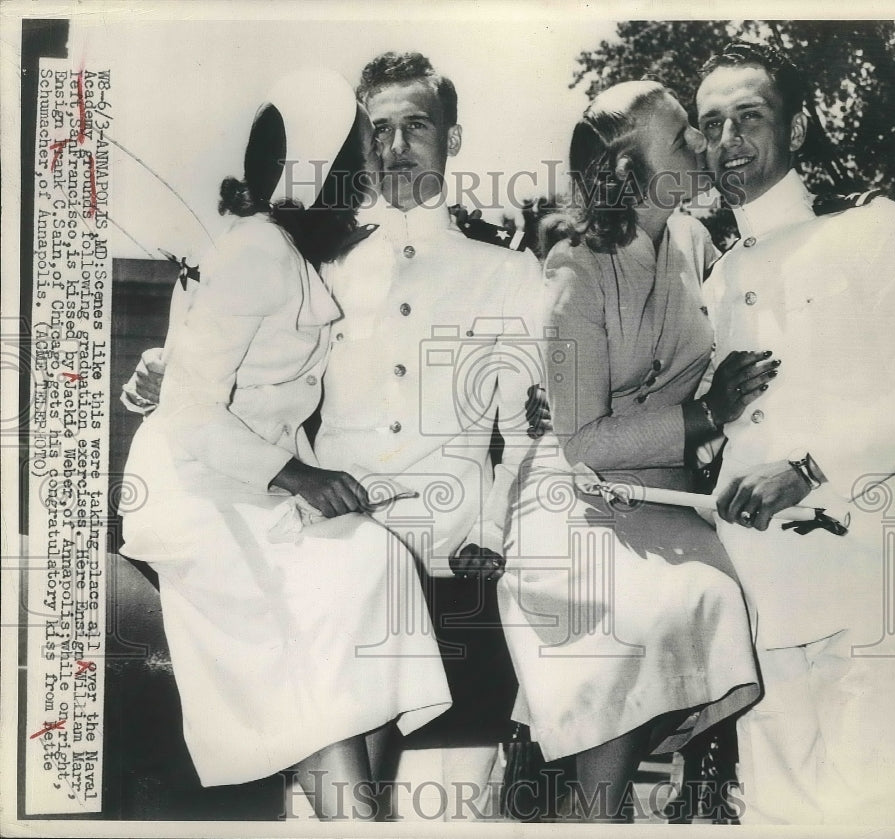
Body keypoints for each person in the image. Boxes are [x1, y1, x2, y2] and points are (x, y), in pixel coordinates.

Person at [124, 52, 544, 818]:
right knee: (328, 802)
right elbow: (229, 370)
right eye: (376, 130)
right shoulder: (318, 255)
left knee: (442, 809)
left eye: (417, 125)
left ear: (453, 139)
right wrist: (161, 362)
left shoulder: (509, 275)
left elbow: (523, 435)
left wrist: (491, 526)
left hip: (449, 549)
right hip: (318, 532)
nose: (395, 146)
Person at [694, 40, 895, 824]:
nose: (728, 141)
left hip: (870, 582)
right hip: (763, 595)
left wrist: (812, 464)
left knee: (876, 815)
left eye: (748, 117)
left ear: (798, 126)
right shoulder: (714, 279)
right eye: (711, 124)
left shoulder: (874, 230)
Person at [495, 80, 768, 822]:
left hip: (667, 499)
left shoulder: (697, 242)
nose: (705, 147)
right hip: (576, 499)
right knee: (635, 620)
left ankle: (572, 775)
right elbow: (580, 439)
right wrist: (705, 415)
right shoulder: (574, 270)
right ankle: (591, 806)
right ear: (629, 168)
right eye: (683, 139)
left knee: (708, 599)